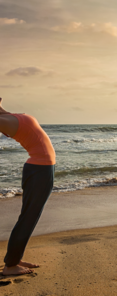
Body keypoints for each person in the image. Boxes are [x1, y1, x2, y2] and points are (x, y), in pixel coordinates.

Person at [0, 97, 55, 275]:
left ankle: (14, 259)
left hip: (42, 168)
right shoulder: (4, 121)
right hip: (39, 169)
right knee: (29, 217)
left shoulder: (7, 116)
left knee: (28, 216)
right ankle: (10, 266)